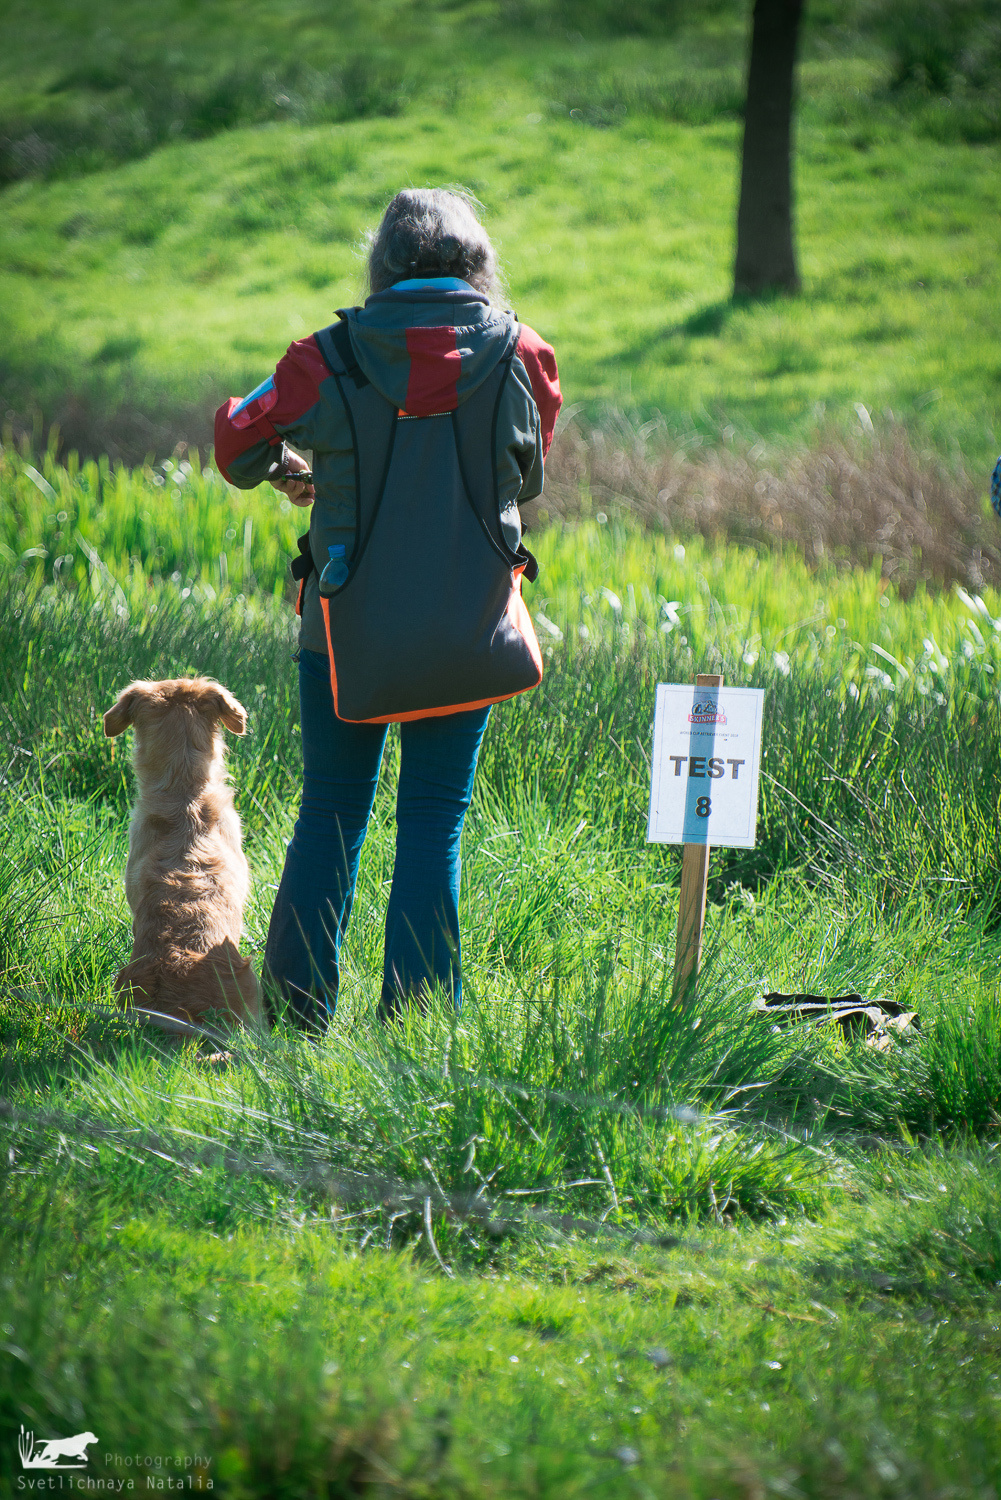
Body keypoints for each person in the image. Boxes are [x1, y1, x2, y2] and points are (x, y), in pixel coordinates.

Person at [214, 188, 561, 1030]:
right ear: (478, 265)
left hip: (343, 631)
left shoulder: (319, 356)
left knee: (331, 808)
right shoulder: (526, 354)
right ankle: (414, 1025)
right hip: (469, 629)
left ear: (381, 264)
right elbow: (527, 473)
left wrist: (298, 468)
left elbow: (234, 443)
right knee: (434, 822)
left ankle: (297, 1020)